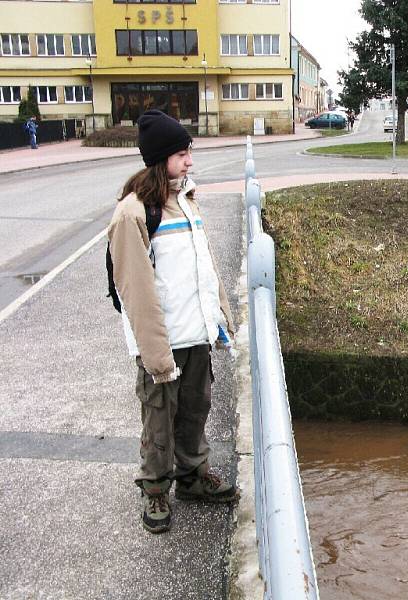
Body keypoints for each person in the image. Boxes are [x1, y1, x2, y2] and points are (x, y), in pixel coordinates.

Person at [108, 109, 239, 534]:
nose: (189, 161)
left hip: (195, 333)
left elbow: (206, 265)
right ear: (161, 158)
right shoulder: (134, 213)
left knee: (195, 411)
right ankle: (155, 490)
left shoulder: (185, 200)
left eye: (189, 152)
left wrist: (221, 316)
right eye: (181, 154)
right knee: (159, 419)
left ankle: (193, 478)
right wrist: (157, 357)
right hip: (161, 343)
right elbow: (138, 295)